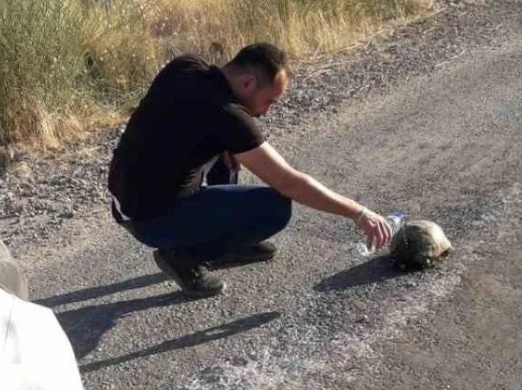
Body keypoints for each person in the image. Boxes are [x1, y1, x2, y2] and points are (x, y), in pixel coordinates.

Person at [107, 42, 393, 299]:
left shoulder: (185, 66)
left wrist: (222, 143)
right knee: (275, 208)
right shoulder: (229, 116)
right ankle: (183, 256)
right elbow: (289, 182)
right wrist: (358, 213)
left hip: (125, 202)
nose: (267, 111)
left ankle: (223, 239)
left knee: (228, 151)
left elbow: (176, 120)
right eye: (270, 100)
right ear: (248, 83)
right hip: (153, 220)